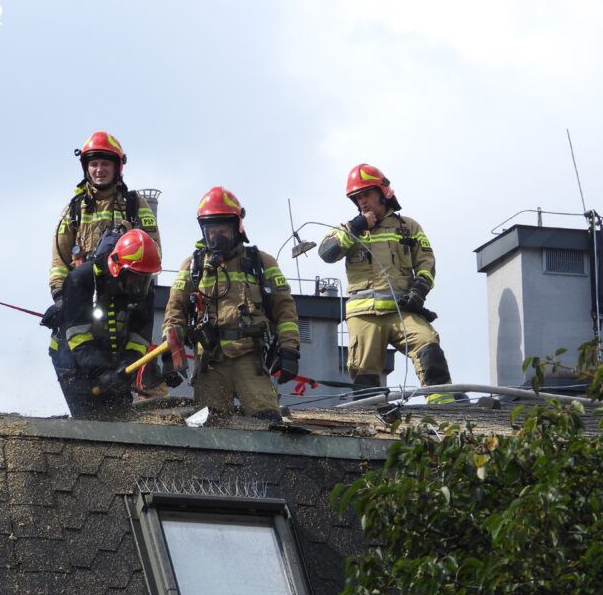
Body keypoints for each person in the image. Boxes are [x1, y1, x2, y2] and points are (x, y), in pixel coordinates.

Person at [162, 187, 300, 425]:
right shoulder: (193, 265)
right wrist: (169, 355)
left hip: (249, 358)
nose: (217, 236)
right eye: (211, 230)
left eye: (223, 230)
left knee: (268, 421)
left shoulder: (261, 262)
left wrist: (290, 350)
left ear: (237, 227)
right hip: (210, 362)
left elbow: (284, 308)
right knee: (210, 426)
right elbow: (175, 311)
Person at [318, 163, 454, 404]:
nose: (362, 201)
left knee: (428, 344)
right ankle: (372, 418)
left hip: (402, 310)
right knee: (364, 372)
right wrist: (356, 227)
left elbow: (427, 263)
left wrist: (419, 290)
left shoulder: (408, 227)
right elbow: (326, 253)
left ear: (382, 193)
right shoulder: (349, 229)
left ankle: (444, 408)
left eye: (366, 194)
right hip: (364, 315)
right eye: (357, 197)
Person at [45, 131, 161, 325]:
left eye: (105, 164)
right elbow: (59, 260)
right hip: (82, 296)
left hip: (125, 297)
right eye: (94, 164)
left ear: (117, 167)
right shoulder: (74, 209)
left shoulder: (135, 204)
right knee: (65, 343)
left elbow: (155, 252)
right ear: (86, 168)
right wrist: (60, 298)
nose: (99, 170)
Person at [54, 229, 162, 419]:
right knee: (90, 420)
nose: (139, 285)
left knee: (121, 418)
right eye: (134, 277)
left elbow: (140, 337)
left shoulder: (143, 289)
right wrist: (103, 372)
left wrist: (126, 367)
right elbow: (78, 336)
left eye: (144, 279)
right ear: (117, 268)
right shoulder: (81, 280)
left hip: (115, 362)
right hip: (73, 360)